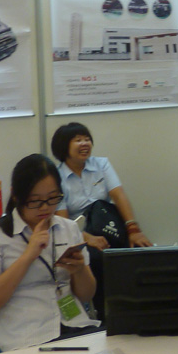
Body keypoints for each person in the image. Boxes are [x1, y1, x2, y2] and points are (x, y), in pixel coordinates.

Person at [0, 154, 99, 352]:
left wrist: (80, 271)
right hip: (27, 337)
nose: (45, 208)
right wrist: (28, 256)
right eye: (35, 201)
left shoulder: (68, 228)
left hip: (76, 326)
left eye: (53, 198)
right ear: (16, 196)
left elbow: (87, 294)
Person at [50, 123, 151, 317]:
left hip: (108, 227)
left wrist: (133, 229)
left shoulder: (101, 164)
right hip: (78, 234)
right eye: (78, 140)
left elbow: (119, 195)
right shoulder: (57, 177)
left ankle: (138, 310)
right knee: (96, 258)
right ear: (63, 147)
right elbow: (63, 220)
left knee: (137, 250)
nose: (84, 143)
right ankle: (106, 315)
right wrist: (87, 238)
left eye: (87, 139)